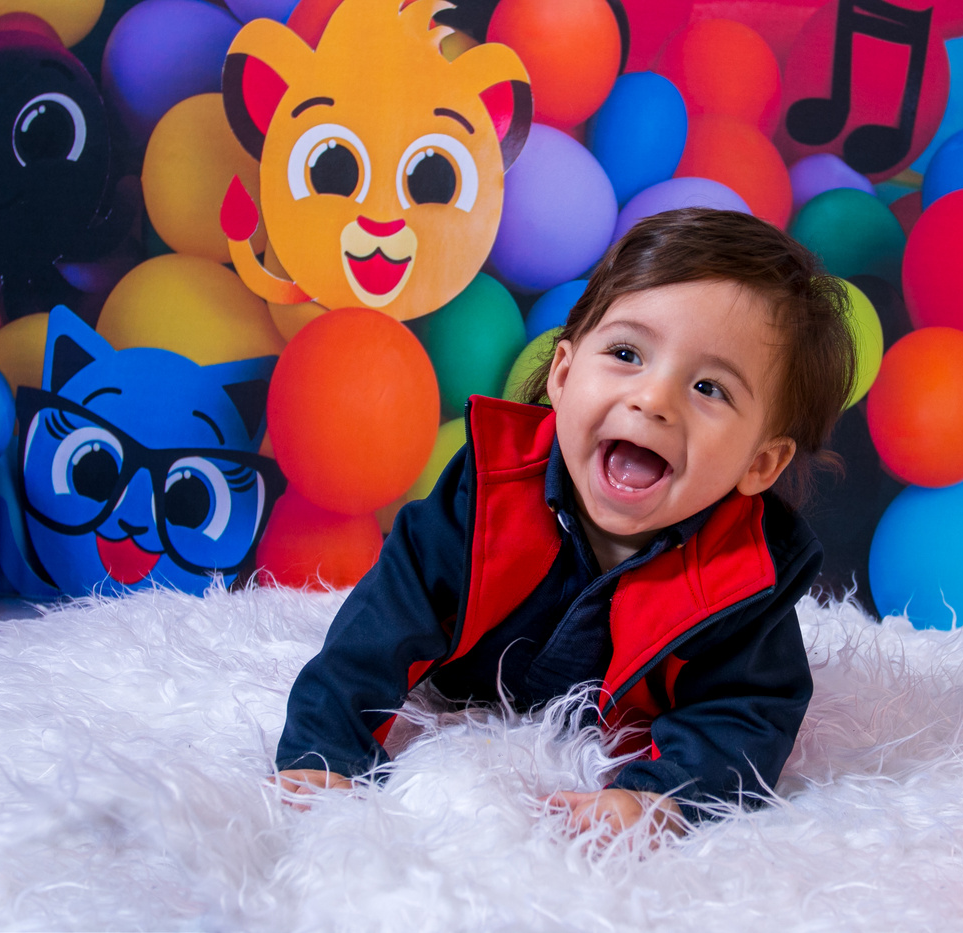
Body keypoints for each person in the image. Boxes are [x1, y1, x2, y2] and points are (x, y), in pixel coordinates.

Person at [274, 207, 857, 838]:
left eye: (710, 388)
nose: (653, 399)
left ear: (761, 463)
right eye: (627, 353)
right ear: (563, 373)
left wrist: (661, 797)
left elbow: (746, 713)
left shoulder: (743, 577)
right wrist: (326, 746)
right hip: (466, 683)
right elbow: (386, 617)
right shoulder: (492, 489)